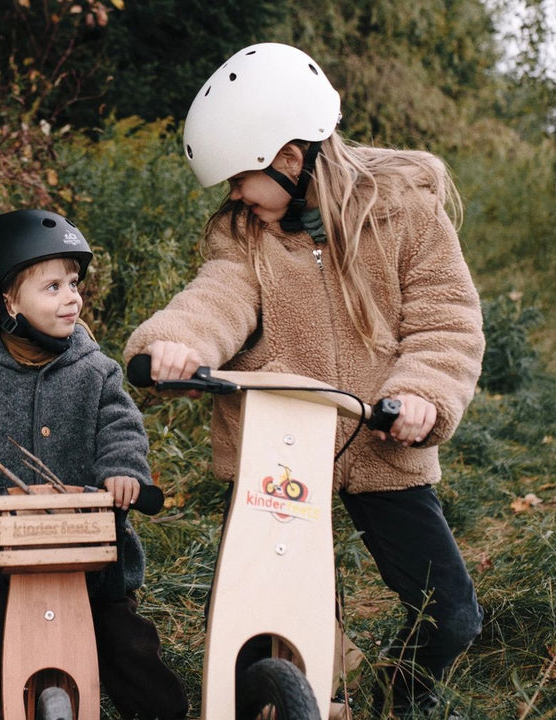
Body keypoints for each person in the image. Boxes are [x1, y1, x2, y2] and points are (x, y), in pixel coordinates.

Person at [124, 43, 484, 720]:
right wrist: (175, 344)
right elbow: (218, 298)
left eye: (240, 178)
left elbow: (446, 320)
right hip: (280, 452)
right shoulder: (244, 235)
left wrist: (423, 397)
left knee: (451, 616)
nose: (234, 196)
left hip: (382, 446)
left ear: (290, 159)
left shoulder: (405, 213)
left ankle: (399, 700)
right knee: (253, 617)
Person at [0, 209, 188, 720]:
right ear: (5, 302)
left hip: (92, 556)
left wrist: (123, 472)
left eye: (73, 283)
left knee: (130, 649)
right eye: (52, 287)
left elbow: (121, 427)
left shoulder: (95, 370)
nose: (73, 297)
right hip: (8, 560)